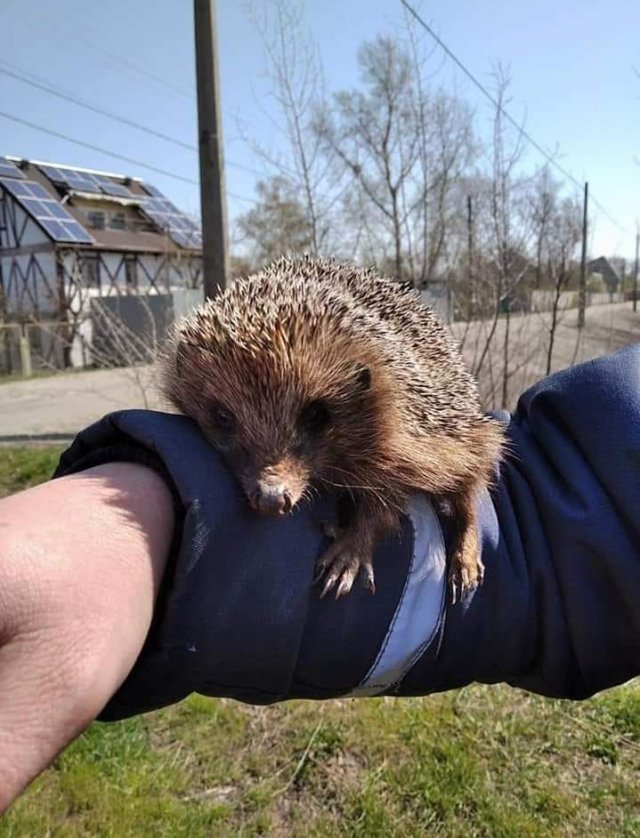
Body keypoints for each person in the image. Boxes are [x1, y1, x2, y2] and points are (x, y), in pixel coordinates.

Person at [1, 344, 640, 812]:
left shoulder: (377, 424)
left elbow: (391, 487)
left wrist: (362, 541)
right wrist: (149, 504)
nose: (271, 485)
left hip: (440, 473)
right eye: (224, 426)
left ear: (360, 394)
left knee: (455, 479)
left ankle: (465, 527)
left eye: (309, 424)